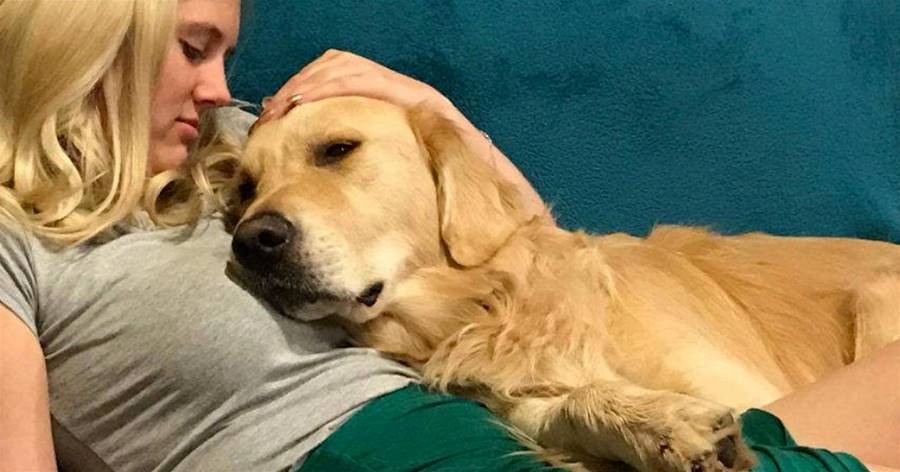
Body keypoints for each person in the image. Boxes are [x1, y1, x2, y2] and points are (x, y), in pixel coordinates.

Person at [0, 1, 896, 471]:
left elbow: (530, 248)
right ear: (89, 32)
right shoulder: (13, 237)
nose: (217, 90)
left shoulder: (227, 141)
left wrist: (435, 113)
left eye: (225, 57)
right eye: (194, 48)